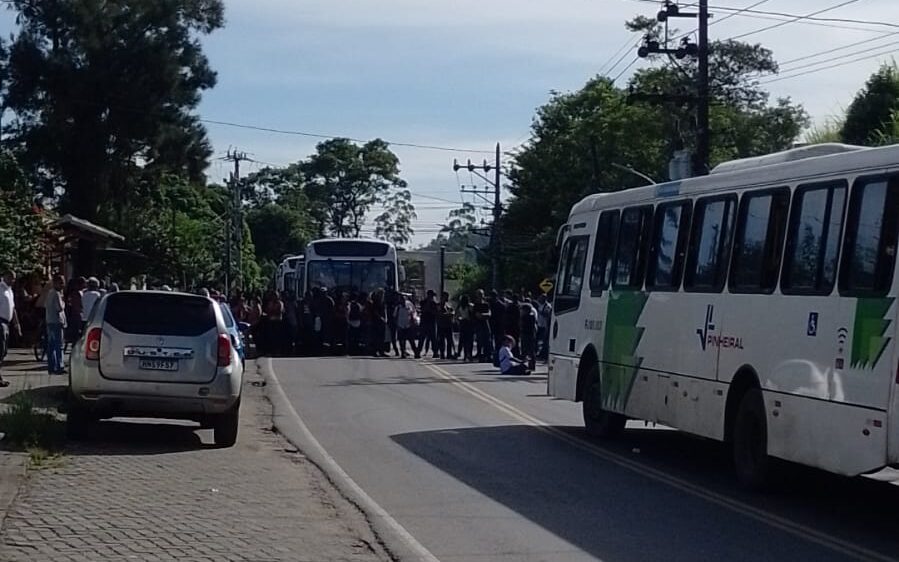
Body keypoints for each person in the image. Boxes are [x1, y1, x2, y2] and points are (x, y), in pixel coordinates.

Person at [0, 270, 22, 387]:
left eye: (14, 278)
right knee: (0, 350)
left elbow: (13, 309)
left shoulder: (10, 291)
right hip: (0, 322)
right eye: (11, 278)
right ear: (4, 277)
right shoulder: (0, 289)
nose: (13, 280)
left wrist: (17, 324)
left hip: (7, 323)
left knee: (3, 351)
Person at [45, 275, 67, 375]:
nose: (63, 284)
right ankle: (59, 366)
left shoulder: (50, 293)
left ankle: (51, 366)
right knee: (59, 345)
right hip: (57, 321)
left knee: (51, 345)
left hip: (50, 321)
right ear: (56, 283)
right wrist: (63, 303)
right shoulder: (57, 294)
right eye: (61, 282)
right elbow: (59, 308)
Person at [416, 289, 438, 359]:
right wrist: (428, 304)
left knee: (433, 339)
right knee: (422, 338)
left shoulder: (434, 303)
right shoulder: (423, 302)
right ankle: (418, 352)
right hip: (424, 322)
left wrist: (431, 310)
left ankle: (435, 352)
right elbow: (423, 310)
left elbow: (435, 312)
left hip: (431, 322)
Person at [472, 289, 492, 362]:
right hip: (479, 325)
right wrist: (483, 315)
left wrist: (483, 315)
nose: (480, 296)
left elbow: (489, 314)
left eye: (481, 294)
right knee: (480, 341)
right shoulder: (476, 305)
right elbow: (476, 315)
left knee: (488, 340)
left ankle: (488, 355)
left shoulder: (486, 304)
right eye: (479, 294)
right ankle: (480, 356)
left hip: (486, 324)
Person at [394, 293, 415, 358]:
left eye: (404, 299)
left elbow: (412, 313)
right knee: (402, 341)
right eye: (401, 299)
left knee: (411, 340)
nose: (402, 301)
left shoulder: (409, 305)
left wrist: (412, 322)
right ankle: (403, 353)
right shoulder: (398, 307)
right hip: (400, 325)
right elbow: (395, 316)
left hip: (408, 325)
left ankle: (416, 353)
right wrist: (397, 325)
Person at [519, 299, 538, 371]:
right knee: (531, 351)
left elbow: (521, 325)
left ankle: (523, 365)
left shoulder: (525, 317)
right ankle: (532, 365)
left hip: (526, 335)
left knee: (525, 350)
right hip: (531, 335)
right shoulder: (532, 316)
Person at [436, 292, 455, 359]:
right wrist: (448, 314)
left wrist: (450, 313)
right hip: (441, 325)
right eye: (445, 296)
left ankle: (449, 354)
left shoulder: (449, 305)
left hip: (448, 325)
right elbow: (440, 314)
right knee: (441, 340)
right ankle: (442, 354)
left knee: (449, 340)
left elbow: (453, 312)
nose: (446, 298)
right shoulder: (438, 305)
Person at [456, 295, 474, 362]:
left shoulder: (460, 307)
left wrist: (459, 321)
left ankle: (466, 355)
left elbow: (457, 316)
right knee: (469, 340)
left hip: (463, 323)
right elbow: (472, 315)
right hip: (468, 323)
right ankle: (469, 355)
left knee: (464, 340)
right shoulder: (470, 306)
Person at [536, 294, 552, 360]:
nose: (540, 299)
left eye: (541, 298)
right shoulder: (539, 305)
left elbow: (547, 314)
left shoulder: (547, 306)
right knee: (537, 340)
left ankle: (543, 355)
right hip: (538, 324)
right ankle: (538, 353)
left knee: (544, 341)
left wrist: (540, 312)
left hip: (544, 325)